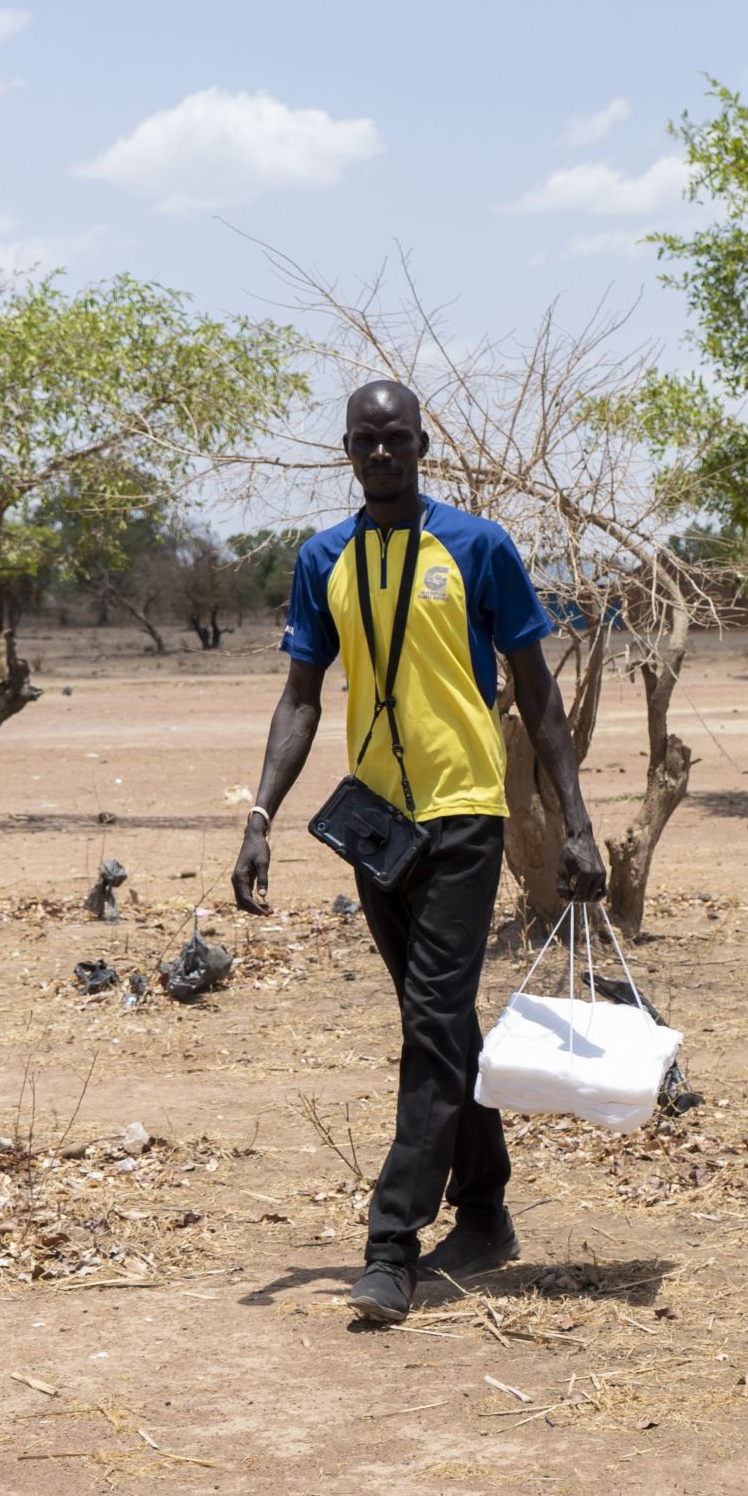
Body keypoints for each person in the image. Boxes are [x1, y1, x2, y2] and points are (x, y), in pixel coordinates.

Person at [234, 381, 605, 1327]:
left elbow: (539, 691)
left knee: (431, 1020)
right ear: (348, 450)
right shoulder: (325, 558)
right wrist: (261, 815)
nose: (383, 453)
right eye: (367, 440)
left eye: (398, 438)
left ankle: (390, 1246)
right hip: (374, 826)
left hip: (467, 814)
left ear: (424, 444)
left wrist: (577, 820)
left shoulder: (479, 547)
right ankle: (483, 1213)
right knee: (438, 1023)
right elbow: (303, 696)